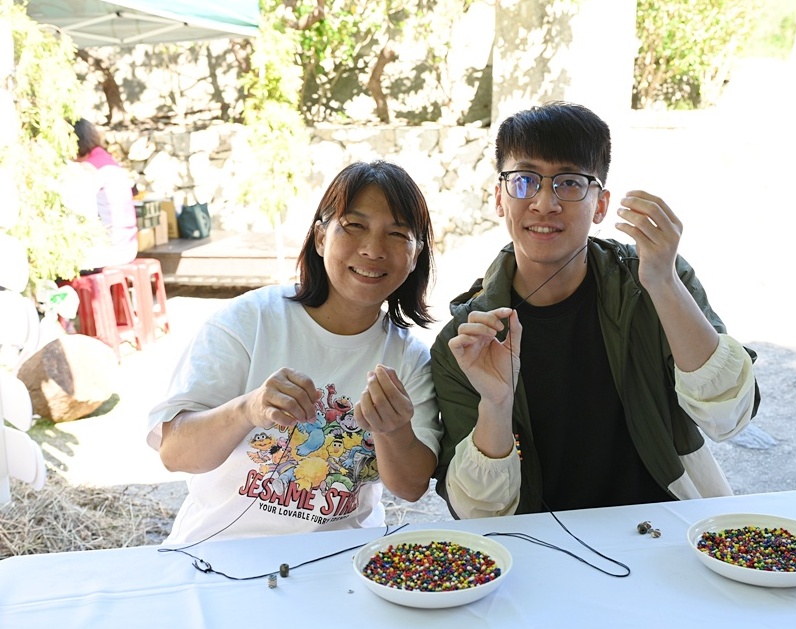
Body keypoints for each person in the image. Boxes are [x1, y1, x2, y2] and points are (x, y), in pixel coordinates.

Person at [431, 102, 761, 519]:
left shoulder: (656, 279)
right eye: (525, 181)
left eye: (569, 183)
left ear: (601, 205)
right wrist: (496, 403)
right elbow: (480, 514)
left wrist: (663, 283)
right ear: (500, 197)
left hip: (668, 529)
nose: (544, 202)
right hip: (541, 550)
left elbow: (728, 416)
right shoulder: (466, 342)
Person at [146, 160, 441, 544]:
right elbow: (174, 453)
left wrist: (394, 429)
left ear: (416, 254)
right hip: (219, 552)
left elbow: (412, 487)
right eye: (355, 226)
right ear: (321, 237)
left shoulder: (409, 358)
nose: (373, 249)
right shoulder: (248, 321)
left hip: (339, 559)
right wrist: (247, 409)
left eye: (397, 233)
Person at [72, 118, 138, 270]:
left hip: (110, 251)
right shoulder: (106, 161)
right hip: (128, 244)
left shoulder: (90, 169)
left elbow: (79, 212)